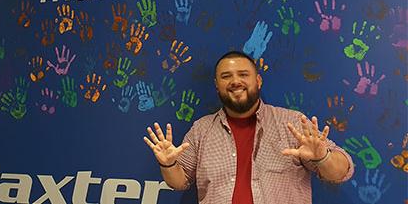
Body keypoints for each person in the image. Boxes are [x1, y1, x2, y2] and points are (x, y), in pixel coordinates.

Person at [143, 51, 354, 204]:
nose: (235, 81)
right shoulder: (201, 129)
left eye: (243, 74)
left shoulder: (292, 122)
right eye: (226, 76)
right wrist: (169, 165)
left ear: (258, 81)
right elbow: (179, 183)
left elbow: (342, 172)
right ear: (217, 86)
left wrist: (322, 157)